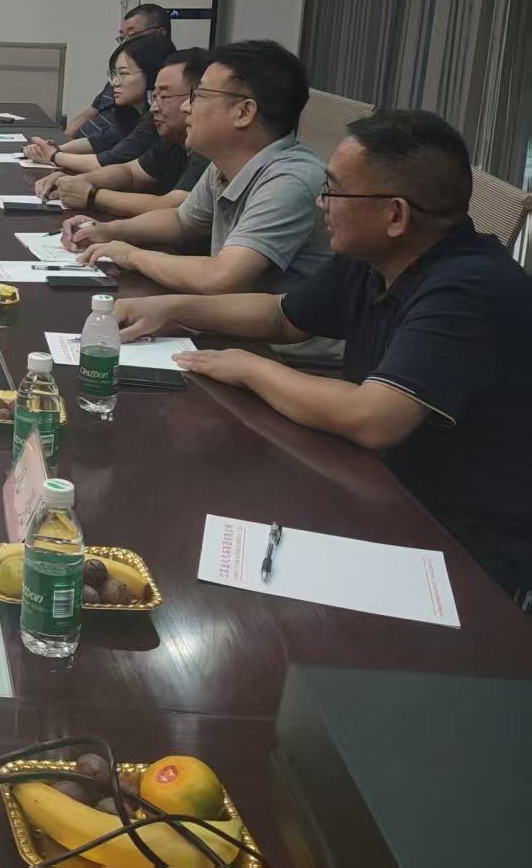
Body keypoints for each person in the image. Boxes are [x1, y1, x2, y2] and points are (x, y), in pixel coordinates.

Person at [114, 110, 532, 602]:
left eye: (333, 190)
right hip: (376, 486)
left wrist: (250, 367)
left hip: (458, 551)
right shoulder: (379, 256)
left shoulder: (469, 288)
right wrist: (174, 308)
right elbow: (283, 317)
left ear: (395, 215)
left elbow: (373, 417)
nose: (320, 202)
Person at [65, 40, 333, 297]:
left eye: (199, 95)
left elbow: (220, 277)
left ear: (244, 112)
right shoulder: (224, 164)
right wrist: (109, 231)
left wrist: (132, 255)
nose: (186, 106)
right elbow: (182, 221)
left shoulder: (289, 181)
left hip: (270, 330)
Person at [34, 50, 210, 216]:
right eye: (154, 97)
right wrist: (77, 181)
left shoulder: (208, 149)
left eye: (164, 97)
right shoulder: (172, 138)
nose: (154, 108)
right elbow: (129, 172)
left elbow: (174, 209)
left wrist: (92, 195)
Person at [24, 32, 174, 172]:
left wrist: (54, 155)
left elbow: (108, 161)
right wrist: (54, 149)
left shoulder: (156, 121)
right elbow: (102, 140)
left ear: (153, 74)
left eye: (123, 73)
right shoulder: (130, 112)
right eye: (114, 74)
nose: (115, 82)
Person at [63, 4, 170, 140]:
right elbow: (90, 112)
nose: (124, 43)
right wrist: (63, 141)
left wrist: (60, 151)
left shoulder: (161, 81)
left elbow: (119, 146)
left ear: (160, 34)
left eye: (132, 35)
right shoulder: (120, 81)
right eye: (122, 37)